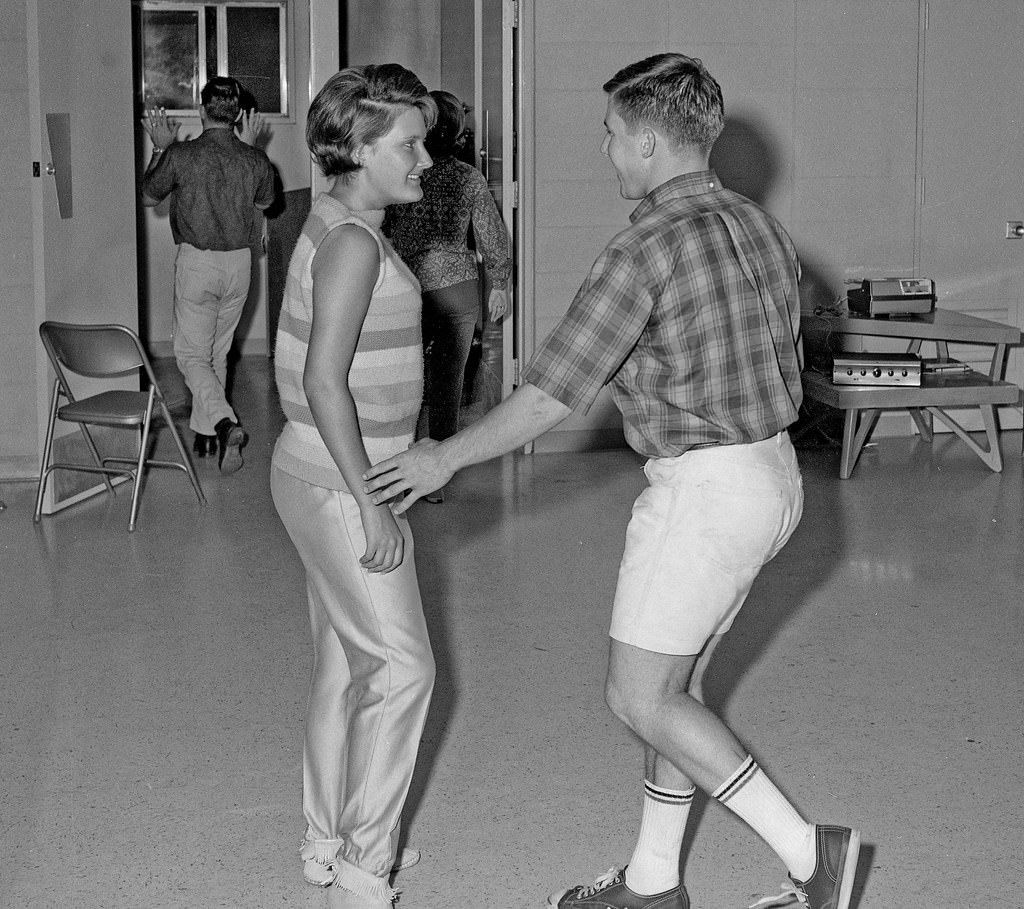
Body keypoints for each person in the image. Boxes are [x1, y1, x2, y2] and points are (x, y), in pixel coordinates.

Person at [364, 53, 861, 909]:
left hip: (705, 491)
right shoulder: (759, 224)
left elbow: (553, 392)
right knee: (678, 691)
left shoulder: (644, 248)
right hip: (773, 478)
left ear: (647, 141)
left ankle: (812, 854)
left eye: (608, 136)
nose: (604, 151)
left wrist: (441, 455)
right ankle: (653, 882)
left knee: (638, 696)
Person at [270, 64, 437, 909]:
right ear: (360, 148)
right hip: (340, 482)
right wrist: (370, 503)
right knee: (404, 668)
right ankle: (366, 873)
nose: (427, 159)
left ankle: (326, 840)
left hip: (314, 471)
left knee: (344, 661)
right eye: (410, 143)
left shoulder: (333, 218)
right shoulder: (351, 243)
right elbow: (323, 379)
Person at [141, 76, 276, 473]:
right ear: (236, 115)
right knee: (217, 352)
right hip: (239, 265)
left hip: (198, 264)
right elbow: (266, 202)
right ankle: (205, 436)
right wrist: (253, 153)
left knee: (189, 354)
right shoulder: (254, 158)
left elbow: (149, 195)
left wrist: (159, 149)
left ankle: (223, 420)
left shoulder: (182, 154)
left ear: (202, 112)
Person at [383, 89, 511, 503]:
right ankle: (432, 482)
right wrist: (502, 283)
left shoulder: (402, 172)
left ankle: (391, 468)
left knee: (402, 381)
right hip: (457, 290)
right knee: (447, 387)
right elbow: (493, 236)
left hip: (408, 286)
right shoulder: (467, 177)